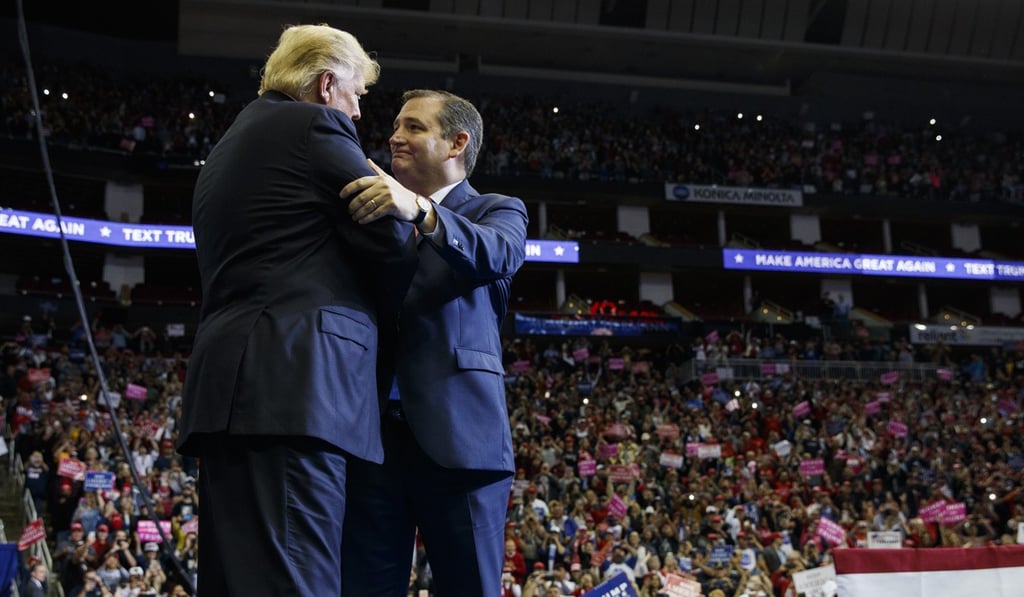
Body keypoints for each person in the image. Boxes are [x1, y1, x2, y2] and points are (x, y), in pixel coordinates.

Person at [176, 23, 418, 596]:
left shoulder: (232, 141)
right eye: (358, 95)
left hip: (233, 396)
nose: (359, 114)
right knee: (295, 581)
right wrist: (409, 213)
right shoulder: (313, 124)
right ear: (327, 84)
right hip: (294, 394)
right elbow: (390, 238)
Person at [340, 89, 529, 596]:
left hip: (462, 443)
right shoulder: (371, 214)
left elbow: (500, 254)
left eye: (414, 127)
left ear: (456, 143)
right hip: (372, 442)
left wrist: (421, 211)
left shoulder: (497, 210)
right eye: (396, 126)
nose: (394, 136)